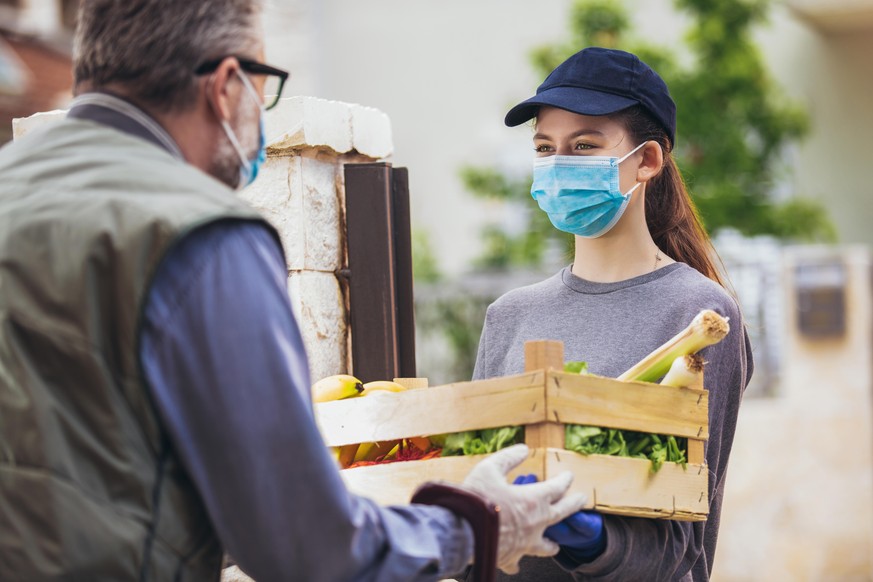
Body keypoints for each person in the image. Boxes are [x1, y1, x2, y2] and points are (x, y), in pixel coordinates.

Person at [0, 1, 588, 580]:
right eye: (264, 84)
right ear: (228, 85)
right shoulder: (200, 235)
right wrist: (478, 527)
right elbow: (307, 543)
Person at [465, 47, 754, 581]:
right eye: (545, 148)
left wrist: (589, 540)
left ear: (646, 160)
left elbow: (682, 544)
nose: (558, 165)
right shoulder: (507, 315)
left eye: (583, 146)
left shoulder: (698, 315)